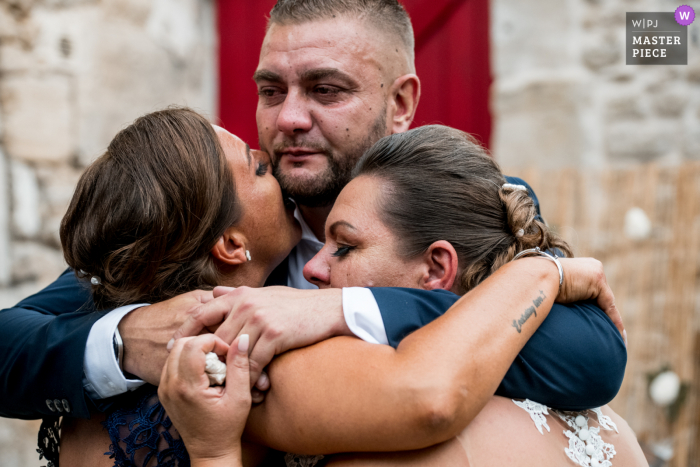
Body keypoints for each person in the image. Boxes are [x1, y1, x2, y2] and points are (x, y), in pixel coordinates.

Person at [0, 0, 623, 442]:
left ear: (401, 102)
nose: (288, 119)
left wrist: (345, 308)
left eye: (325, 90)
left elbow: (589, 355)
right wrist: (127, 337)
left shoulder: (464, 203)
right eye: (272, 91)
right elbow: (11, 343)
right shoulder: (207, 225)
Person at [56, 110, 624, 466]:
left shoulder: (82, 394)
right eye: (257, 170)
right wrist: (538, 271)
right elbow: (428, 393)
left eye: (345, 247)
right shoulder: (254, 371)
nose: (277, 165)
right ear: (229, 246)